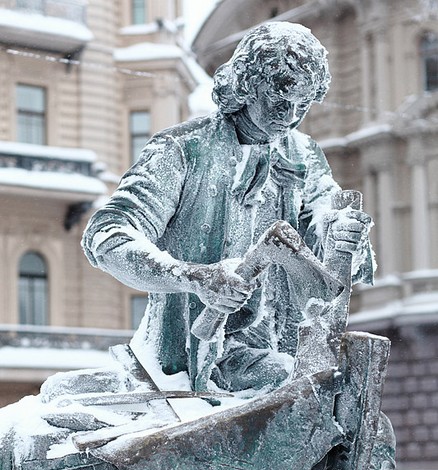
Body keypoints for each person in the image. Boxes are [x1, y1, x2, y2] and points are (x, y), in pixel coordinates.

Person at [82, 21, 373, 394]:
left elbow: (321, 219)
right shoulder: (181, 150)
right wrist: (195, 277)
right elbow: (108, 235)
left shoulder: (302, 154)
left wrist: (339, 230)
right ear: (247, 84)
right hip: (193, 359)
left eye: (303, 105)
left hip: (282, 346)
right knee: (306, 387)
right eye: (280, 100)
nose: (290, 116)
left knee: (360, 413)